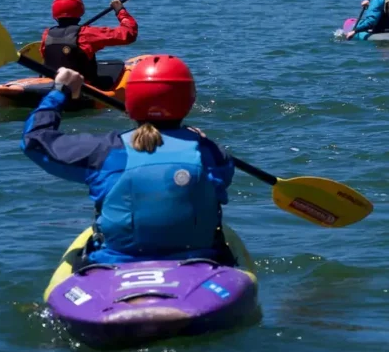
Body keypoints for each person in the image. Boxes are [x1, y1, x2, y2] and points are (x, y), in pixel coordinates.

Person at [21, 55, 235, 264]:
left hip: (115, 263)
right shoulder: (213, 153)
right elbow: (216, 177)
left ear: (130, 99)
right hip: (199, 261)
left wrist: (60, 91)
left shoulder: (104, 151)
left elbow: (35, 141)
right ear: (189, 99)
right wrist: (196, 139)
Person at [41, 0, 138, 86]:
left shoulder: (46, 34)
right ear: (80, 11)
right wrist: (120, 10)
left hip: (53, 84)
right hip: (84, 90)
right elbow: (129, 34)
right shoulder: (86, 33)